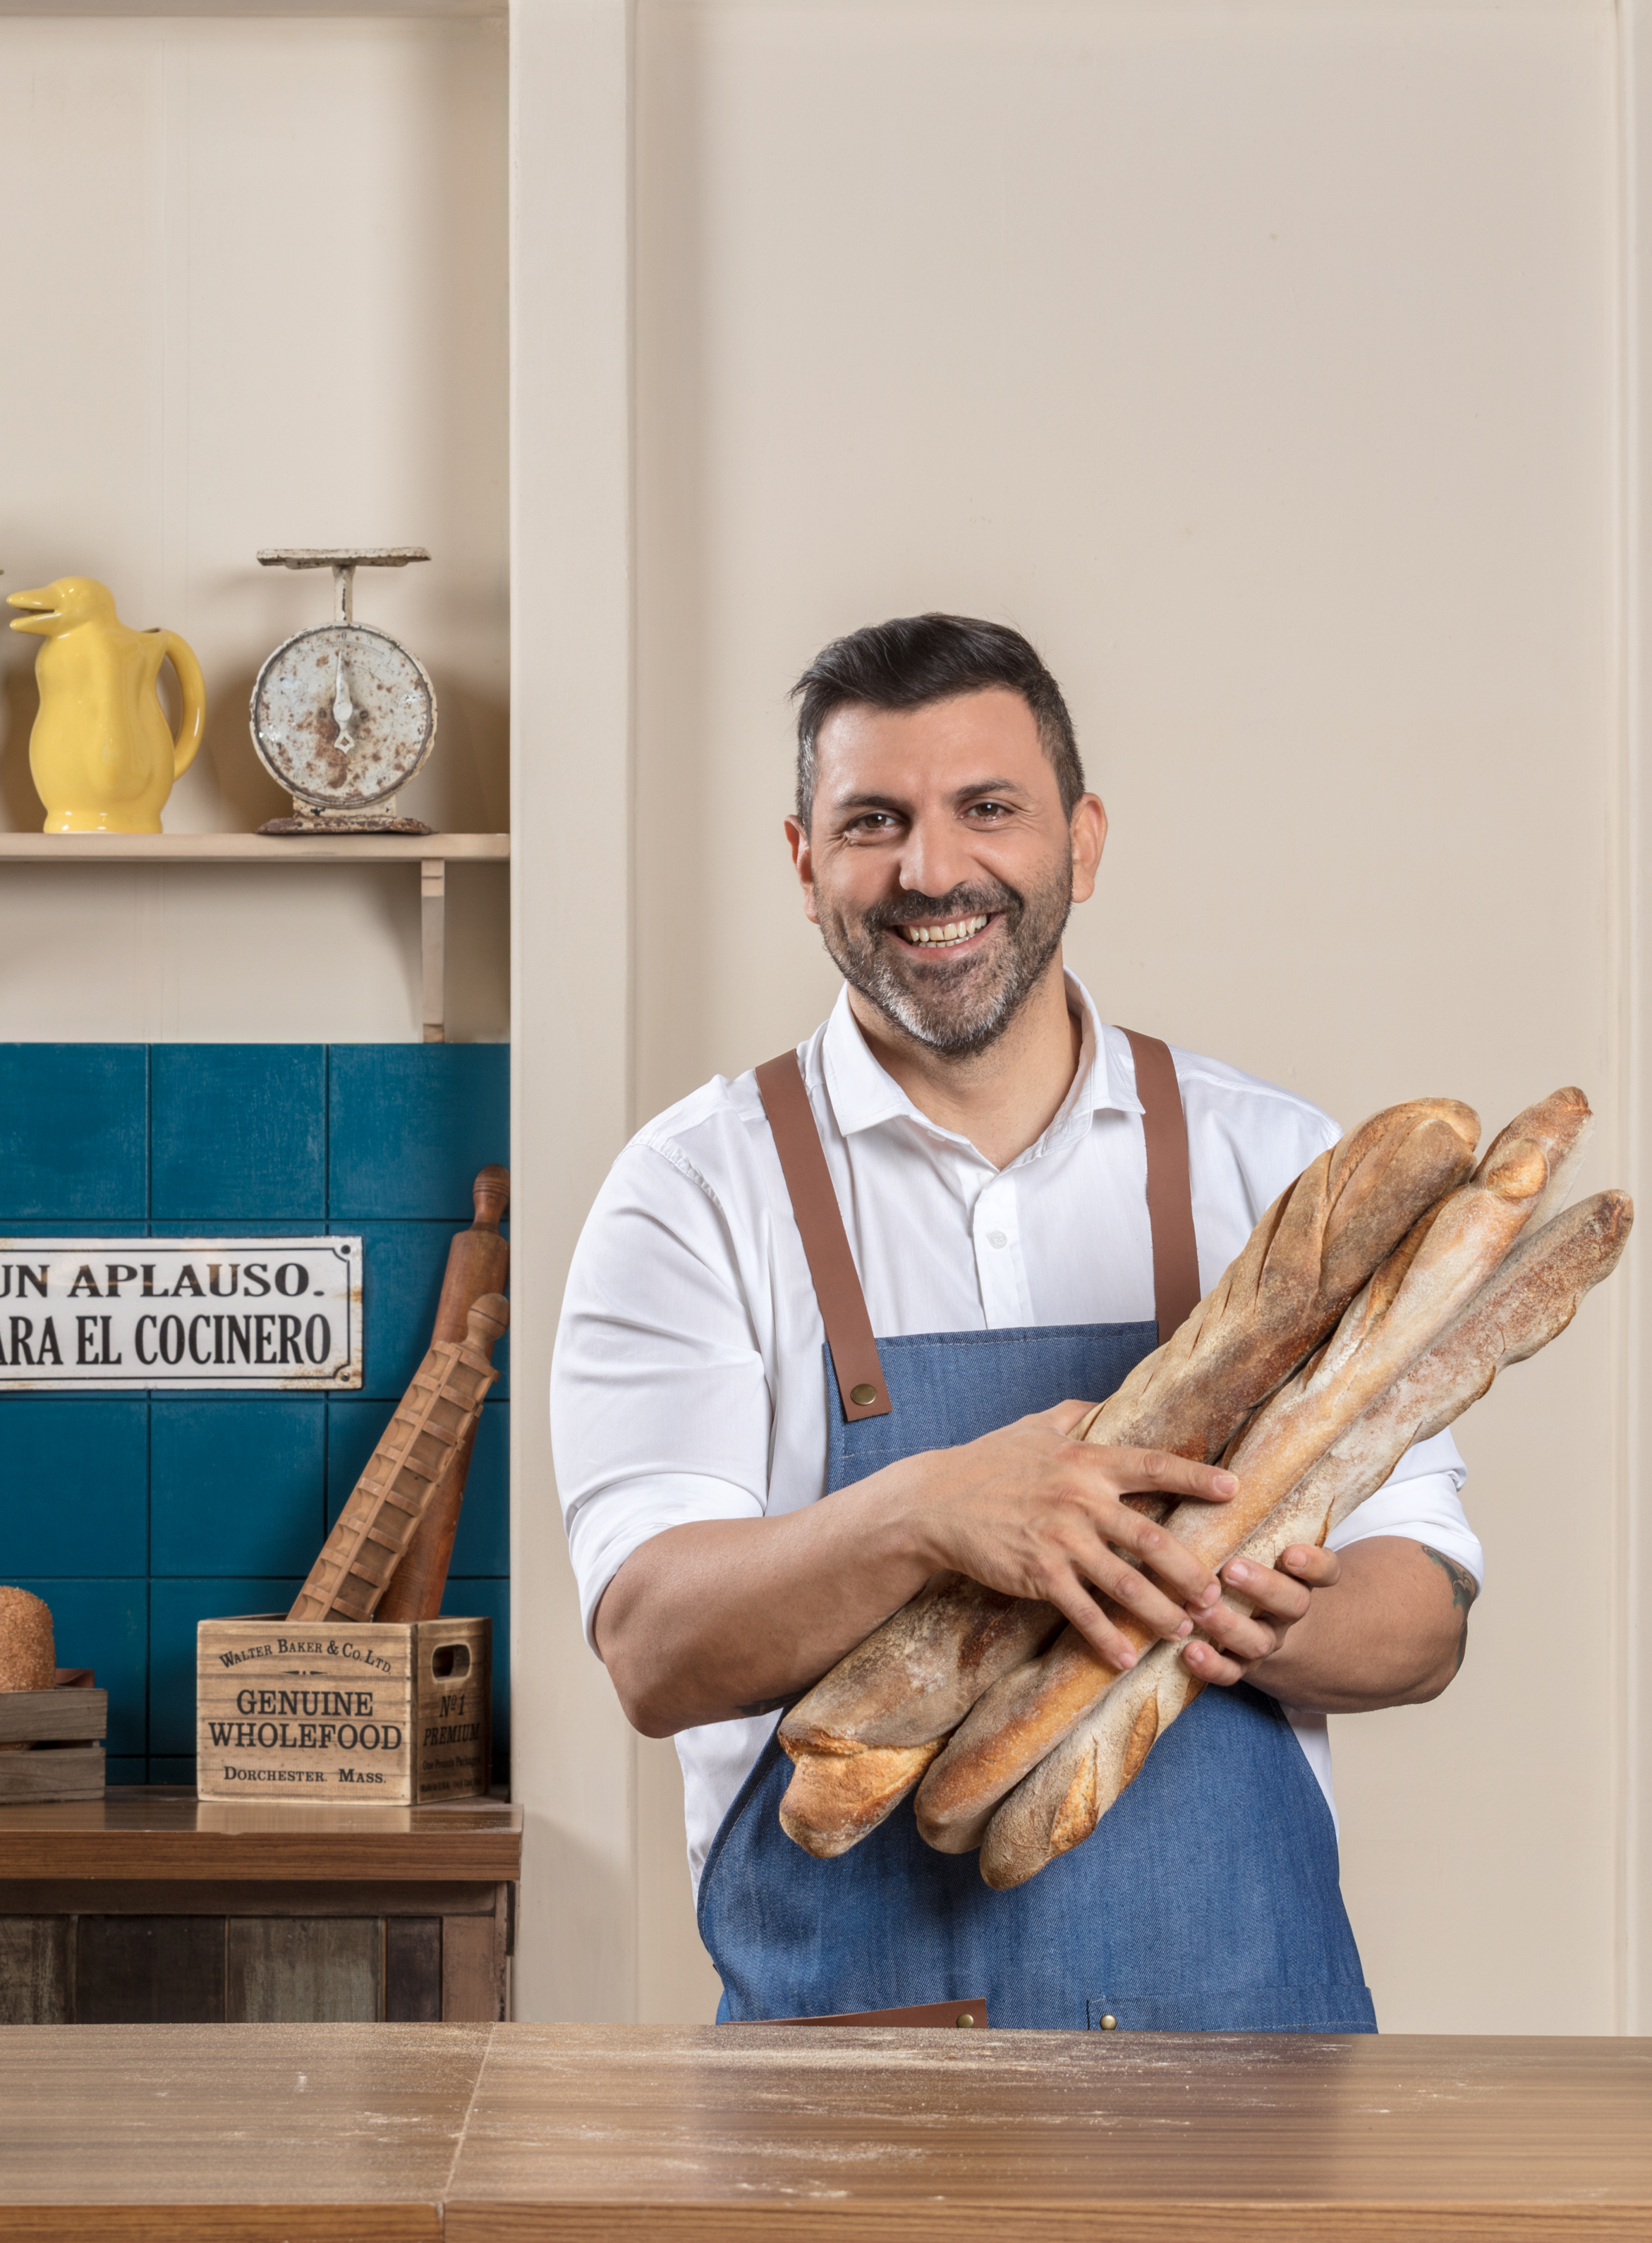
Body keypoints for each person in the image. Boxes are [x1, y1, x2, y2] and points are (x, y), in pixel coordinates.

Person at [553, 612, 1479, 2031]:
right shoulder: (692, 1191)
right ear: (805, 863)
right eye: (875, 821)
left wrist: (1212, 1592)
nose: (934, 872)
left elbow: (1418, 1624)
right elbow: (651, 1643)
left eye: (988, 809)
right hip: (850, 2083)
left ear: (1082, 841)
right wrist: (926, 1513)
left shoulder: (1277, 1165)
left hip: (1246, 2061)